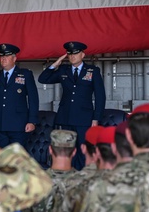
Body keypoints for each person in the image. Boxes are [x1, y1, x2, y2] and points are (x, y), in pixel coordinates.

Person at [38, 41, 106, 169]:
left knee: (82, 150)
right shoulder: (64, 70)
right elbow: (43, 79)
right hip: (65, 118)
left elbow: (100, 96)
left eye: (75, 53)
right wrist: (55, 64)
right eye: (69, 54)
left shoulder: (92, 71)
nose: (72, 56)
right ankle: (67, 180)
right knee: (65, 151)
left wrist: (96, 119)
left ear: (82, 55)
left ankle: (80, 179)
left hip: (84, 118)